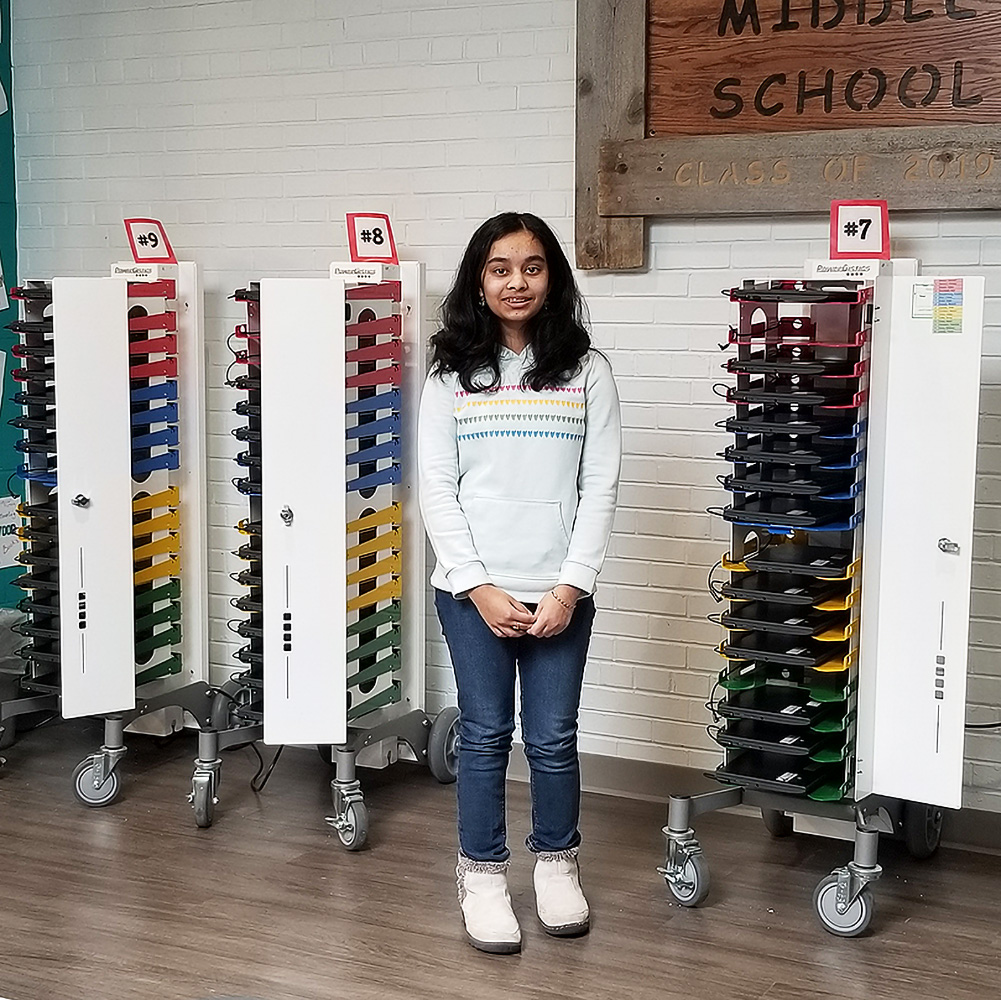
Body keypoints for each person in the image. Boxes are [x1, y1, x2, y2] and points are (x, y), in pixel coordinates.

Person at [417, 212, 621, 954]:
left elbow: (599, 488)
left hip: (560, 590)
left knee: (554, 739)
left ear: (552, 279)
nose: (516, 282)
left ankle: (557, 867)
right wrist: (477, 588)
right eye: (500, 268)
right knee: (483, 736)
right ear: (479, 279)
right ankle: (481, 878)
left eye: (532, 268)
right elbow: (436, 491)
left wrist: (568, 590)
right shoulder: (448, 378)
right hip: (474, 594)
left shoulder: (586, 371)